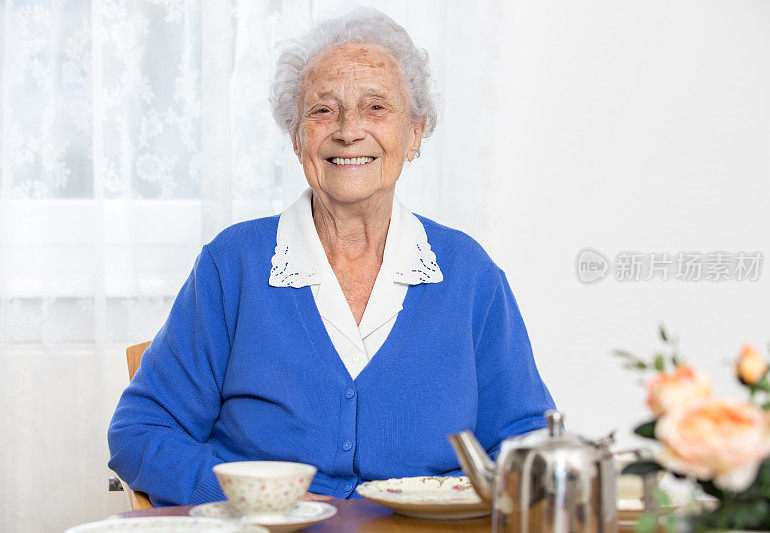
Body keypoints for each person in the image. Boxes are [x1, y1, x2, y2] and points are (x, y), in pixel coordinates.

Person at [108, 7, 555, 507]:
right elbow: (141, 433)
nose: (348, 130)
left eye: (376, 107)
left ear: (415, 134)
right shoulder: (232, 265)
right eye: (323, 110)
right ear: (297, 137)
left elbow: (527, 441)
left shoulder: (468, 272)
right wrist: (259, 499)